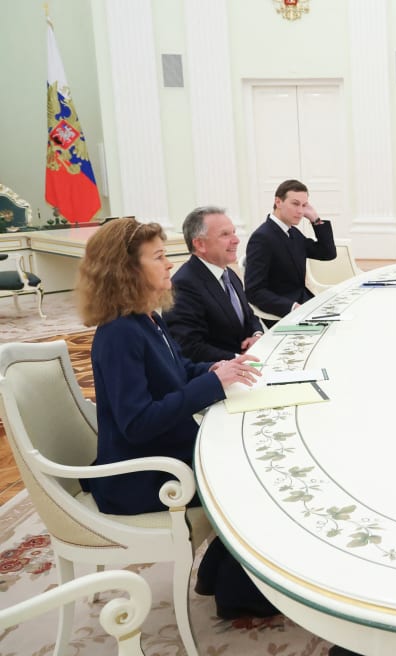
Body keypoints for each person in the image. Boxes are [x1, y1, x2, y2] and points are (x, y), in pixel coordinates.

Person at [76, 218, 277, 619]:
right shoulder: (119, 334)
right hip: (138, 476)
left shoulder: (145, 318)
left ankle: (219, 574)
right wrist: (211, 385)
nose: (170, 265)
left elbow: (178, 368)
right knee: (253, 475)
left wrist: (218, 368)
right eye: (159, 257)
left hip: (164, 451)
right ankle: (238, 591)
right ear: (127, 270)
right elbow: (137, 423)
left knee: (249, 461)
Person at [165, 206, 264, 362]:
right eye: (225, 234)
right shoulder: (183, 285)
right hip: (219, 373)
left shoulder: (229, 274)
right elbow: (189, 347)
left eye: (234, 232)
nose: (236, 240)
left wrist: (256, 335)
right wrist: (239, 358)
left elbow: (249, 316)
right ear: (199, 244)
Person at [245, 179, 336, 322]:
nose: (300, 211)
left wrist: (315, 219)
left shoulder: (293, 232)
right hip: (282, 313)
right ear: (278, 202)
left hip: (305, 303)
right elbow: (254, 291)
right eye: (295, 204)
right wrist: (292, 307)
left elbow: (327, 253)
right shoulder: (262, 237)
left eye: (304, 205)